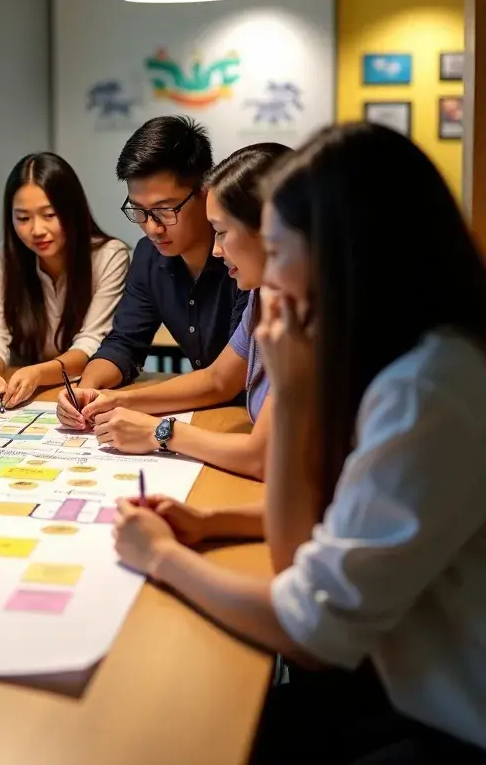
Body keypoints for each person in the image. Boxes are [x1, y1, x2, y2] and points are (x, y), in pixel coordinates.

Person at [113, 124, 486, 764]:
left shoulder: (426, 389)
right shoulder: (411, 358)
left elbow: (310, 630)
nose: (261, 278)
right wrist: (209, 522)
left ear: (342, 252)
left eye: (277, 250)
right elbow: (320, 535)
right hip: (399, 684)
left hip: (450, 719)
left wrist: (163, 559)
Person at [84, 144, 289, 479]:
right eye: (139, 211)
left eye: (221, 231)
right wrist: (112, 401)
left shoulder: (310, 314)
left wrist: (160, 432)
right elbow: (218, 377)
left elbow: (263, 457)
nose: (217, 248)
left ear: (268, 230)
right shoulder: (262, 295)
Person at [58, 116, 247, 429]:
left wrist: (123, 402)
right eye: (139, 211)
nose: (152, 227)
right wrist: (87, 390)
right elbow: (124, 344)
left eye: (164, 211)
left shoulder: (244, 259)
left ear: (204, 192)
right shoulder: (149, 255)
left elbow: (224, 381)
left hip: (247, 419)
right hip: (207, 416)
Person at [0, 152, 129, 409]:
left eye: (49, 215)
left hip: (82, 391)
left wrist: (38, 374)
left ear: (73, 211)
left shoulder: (109, 256)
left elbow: (92, 344)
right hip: (22, 394)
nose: (37, 230)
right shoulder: (0, 258)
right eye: (23, 218)